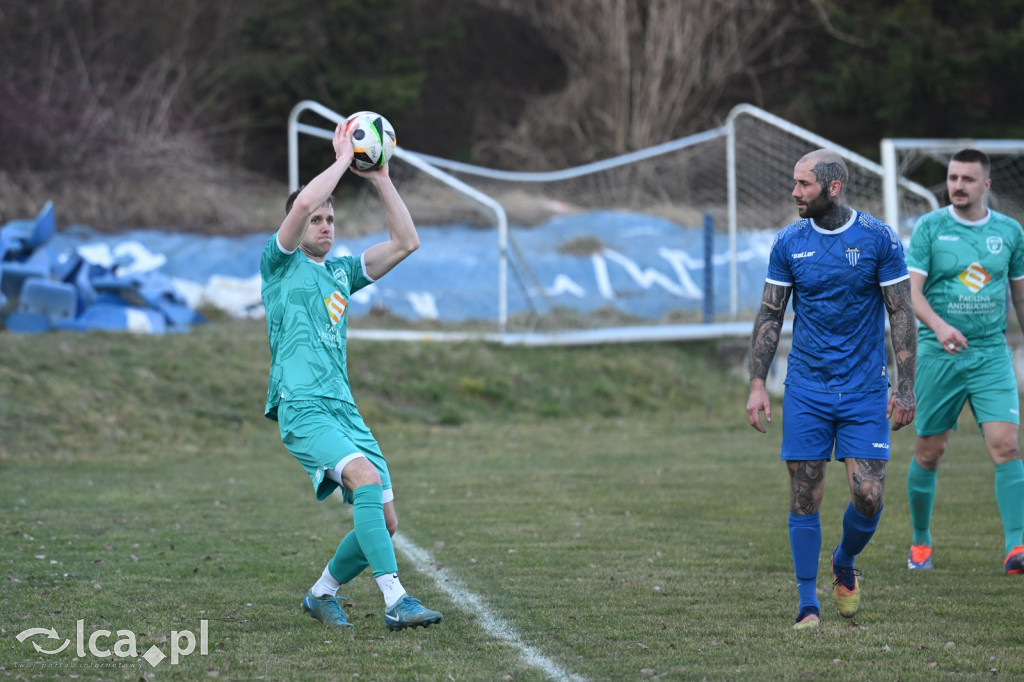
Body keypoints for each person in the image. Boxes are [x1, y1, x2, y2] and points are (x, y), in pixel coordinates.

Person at [260, 120, 442, 630]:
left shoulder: (341, 273)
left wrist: (381, 176)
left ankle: (321, 594)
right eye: (316, 218)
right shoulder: (280, 265)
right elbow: (298, 207)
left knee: (383, 520)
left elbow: (406, 242)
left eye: (330, 219)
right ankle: (397, 599)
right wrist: (343, 159)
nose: (324, 225)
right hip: (301, 405)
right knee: (363, 480)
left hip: (344, 409)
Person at [746, 149, 918, 630]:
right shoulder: (788, 242)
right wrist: (758, 383)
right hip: (806, 387)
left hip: (865, 388)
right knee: (805, 494)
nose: (794, 192)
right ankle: (807, 603)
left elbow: (901, 312)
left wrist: (905, 389)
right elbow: (770, 313)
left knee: (868, 495)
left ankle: (844, 563)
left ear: (833, 187)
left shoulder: (879, 238)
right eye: (794, 182)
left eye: (804, 184)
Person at [904, 148, 1024, 575]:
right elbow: (910, 294)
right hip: (938, 354)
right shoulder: (930, 228)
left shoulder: (1010, 233)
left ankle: (1016, 548)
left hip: (990, 352)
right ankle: (920, 541)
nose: (957, 185)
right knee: (929, 452)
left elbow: (1020, 297)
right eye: (953, 177)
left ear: (986, 185)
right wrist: (938, 326)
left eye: (967, 179)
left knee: (1006, 444)